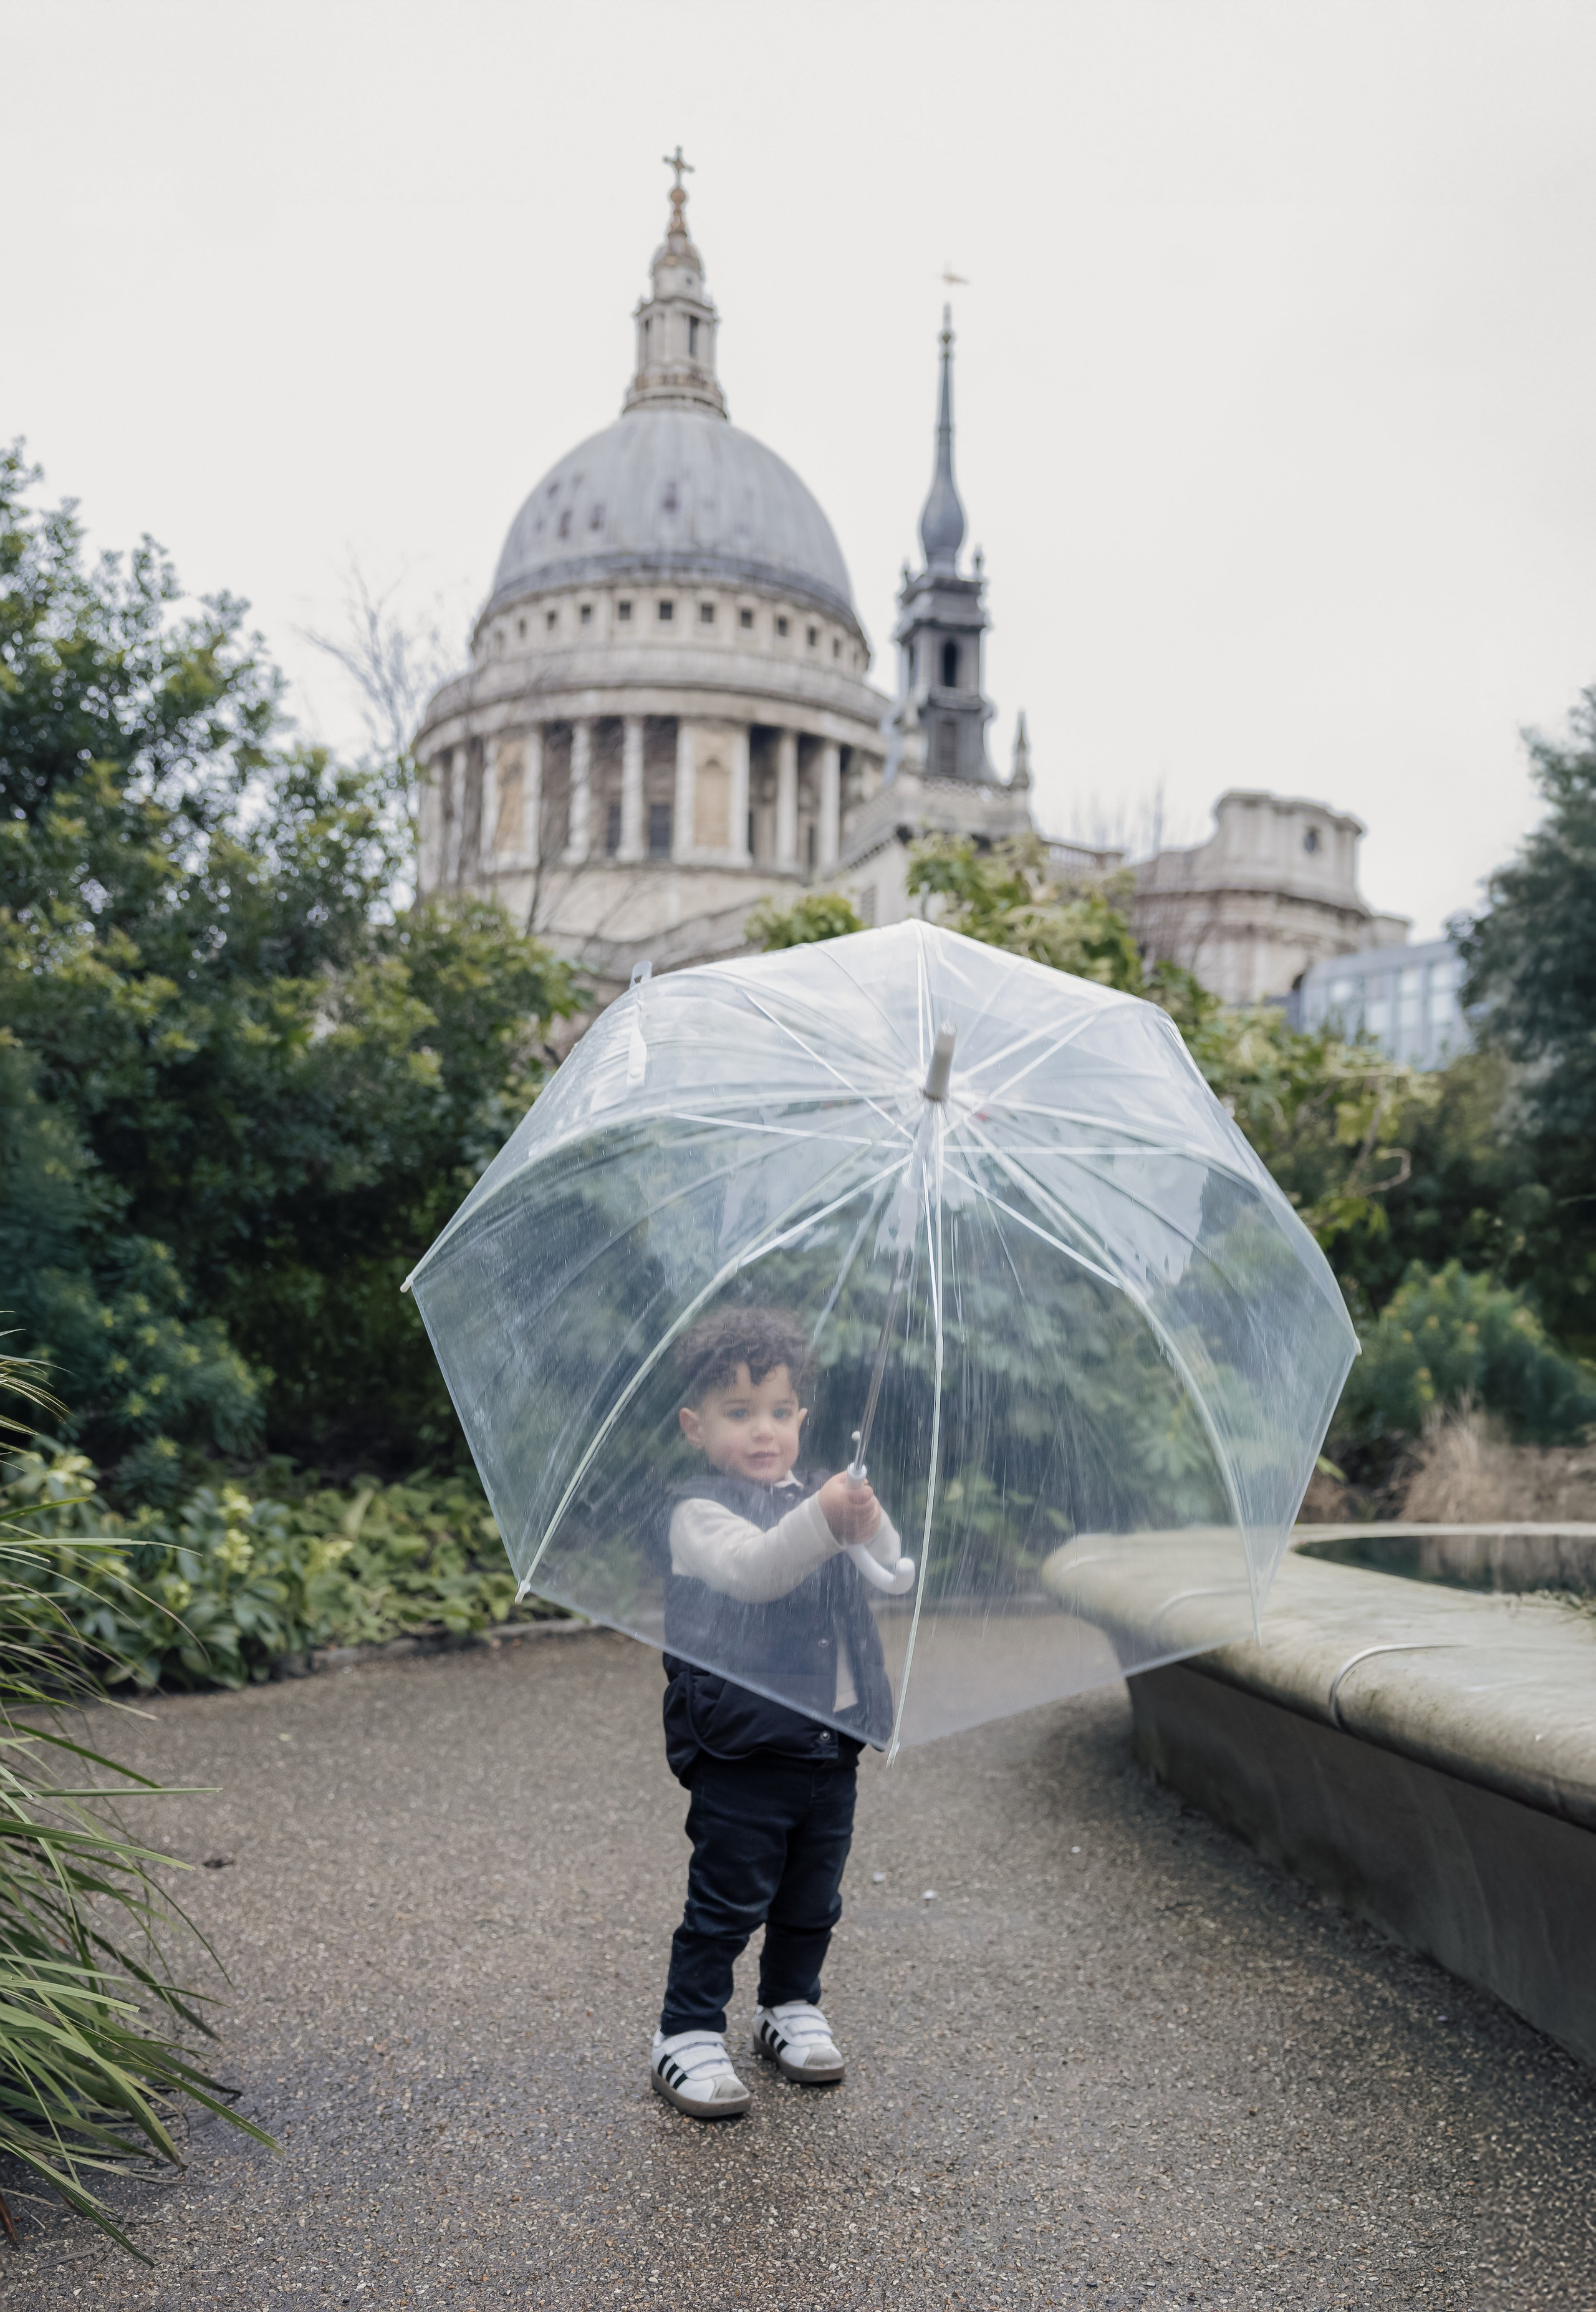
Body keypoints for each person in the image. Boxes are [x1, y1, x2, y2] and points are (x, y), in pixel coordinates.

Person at [649, 1305, 902, 2121]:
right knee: (727, 1898)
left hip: (828, 1742)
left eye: (780, 1412)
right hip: (742, 1745)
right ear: (696, 1425)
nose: (764, 1431)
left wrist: (864, 1517)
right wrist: (825, 1517)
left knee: (811, 1896)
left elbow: (891, 1571)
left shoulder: (817, 1494)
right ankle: (686, 2032)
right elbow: (759, 1570)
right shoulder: (699, 1514)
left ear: (804, 1418)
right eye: (739, 1413)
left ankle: (788, 2005)